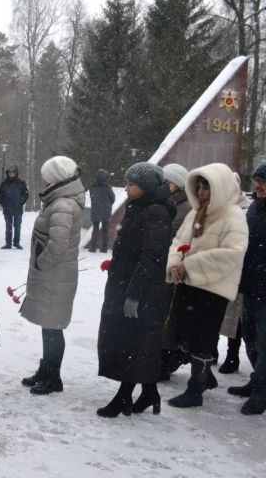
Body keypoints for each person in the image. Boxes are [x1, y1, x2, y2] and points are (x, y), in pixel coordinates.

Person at [166, 163, 248, 408]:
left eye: (207, 187)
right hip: (190, 286)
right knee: (187, 337)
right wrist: (174, 265)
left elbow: (233, 253)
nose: (201, 192)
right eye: (199, 187)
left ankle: (195, 390)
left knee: (202, 340)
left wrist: (189, 265)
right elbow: (178, 241)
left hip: (213, 290)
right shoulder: (196, 212)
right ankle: (204, 378)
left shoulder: (233, 216)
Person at [97, 162, 174, 418]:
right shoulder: (140, 207)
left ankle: (123, 396)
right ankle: (149, 392)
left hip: (141, 290)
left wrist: (134, 294)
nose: (127, 188)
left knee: (133, 342)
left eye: (132, 184)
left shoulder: (155, 212)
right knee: (135, 342)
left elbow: (152, 257)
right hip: (127, 283)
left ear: (146, 186)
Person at [20, 156, 84, 395]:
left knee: (53, 327)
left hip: (56, 277)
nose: (43, 178)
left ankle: (53, 377)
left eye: (46, 174)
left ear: (55, 177)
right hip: (54, 276)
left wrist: (41, 262)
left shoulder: (63, 205)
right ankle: (46, 370)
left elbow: (57, 245)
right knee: (49, 326)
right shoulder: (58, 201)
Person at [228, 162, 266, 414]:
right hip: (251, 286)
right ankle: (257, 380)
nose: (258, 185)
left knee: (264, 344)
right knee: (250, 340)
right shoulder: (255, 206)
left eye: (262, 181)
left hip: (265, 289)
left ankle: (262, 393)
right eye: (256, 181)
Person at [216, 173, 252, 374]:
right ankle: (211, 351)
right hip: (220, 270)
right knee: (217, 313)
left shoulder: (246, 210)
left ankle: (232, 355)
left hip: (237, 270)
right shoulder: (218, 208)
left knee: (234, 317)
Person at [159, 163, 191, 380]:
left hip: (174, 269)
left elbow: (177, 237)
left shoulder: (186, 208)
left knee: (170, 318)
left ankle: (169, 358)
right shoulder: (169, 203)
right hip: (163, 266)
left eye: (168, 183)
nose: (164, 186)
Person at [0, 165, 29, 249]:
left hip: (18, 208)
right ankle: (8, 243)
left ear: (16, 173)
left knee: (17, 226)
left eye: (13, 172)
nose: (11, 174)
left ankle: (16, 242)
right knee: (8, 227)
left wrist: (20, 202)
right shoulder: (4, 183)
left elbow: (26, 194)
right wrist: (3, 204)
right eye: (10, 173)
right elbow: (0, 195)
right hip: (7, 208)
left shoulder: (21, 182)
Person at [87, 168, 115, 253]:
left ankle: (93, 247)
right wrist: (107, 205)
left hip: (95, 210)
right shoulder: (108, 187)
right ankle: (104, 248)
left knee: (95, 229)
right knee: (105, 230)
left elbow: (92, 198)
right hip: (106, 211)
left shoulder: (92, 186)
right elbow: (112, 198)